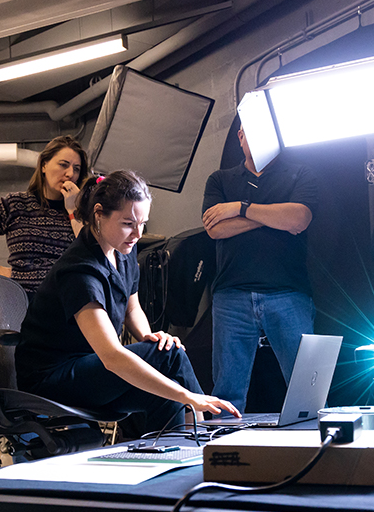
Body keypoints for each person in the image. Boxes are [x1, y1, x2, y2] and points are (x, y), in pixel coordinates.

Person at [16, 170, 239, 441]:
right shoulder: (79, 271)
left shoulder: (123, 250)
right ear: (99, 214)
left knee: (164, 371)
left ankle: (173, 456)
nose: (137, 234)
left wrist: (150, 338)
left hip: (91, 369)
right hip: (52, 379)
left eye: (142, 223)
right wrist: (189, 396)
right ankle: (205, 440)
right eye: (128, 223)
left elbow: (132, 308)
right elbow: (111, 356)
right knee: (170, 357)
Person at [201, 123, 321, 413]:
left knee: (308, 390)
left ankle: (318, 440)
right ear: (240, 137)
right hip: (232, 294)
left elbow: (299, 219)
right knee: (227, 393)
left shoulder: (300, 174)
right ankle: (225, 441)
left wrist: (239, 207)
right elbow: (215, 229)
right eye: (250, 131)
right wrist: (273, 215)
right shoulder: (220, 179)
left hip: (288, 292)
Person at [0, 135, 88, 295]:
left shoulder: (85, 212)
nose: (70, 173)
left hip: (68, 301)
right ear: (44, 165)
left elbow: (92, 253)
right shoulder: (16, 204)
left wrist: (74, 210)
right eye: (63, 165)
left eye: (76, 169)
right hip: (23, 301)